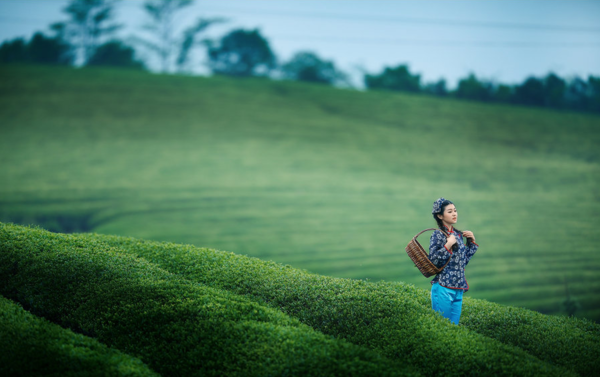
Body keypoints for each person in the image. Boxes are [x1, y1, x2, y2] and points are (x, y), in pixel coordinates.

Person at [428, 197, 478, 325]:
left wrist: (471, 243)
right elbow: (433, 260)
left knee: (453, 328)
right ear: (440, 215)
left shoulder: (458, 235)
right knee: (442, 326)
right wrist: (448, 245)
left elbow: (461, 262)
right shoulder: (437, 234)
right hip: (443, 287)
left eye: (455, 210)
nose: (454, 214)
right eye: (449, 211)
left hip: (458, 288)